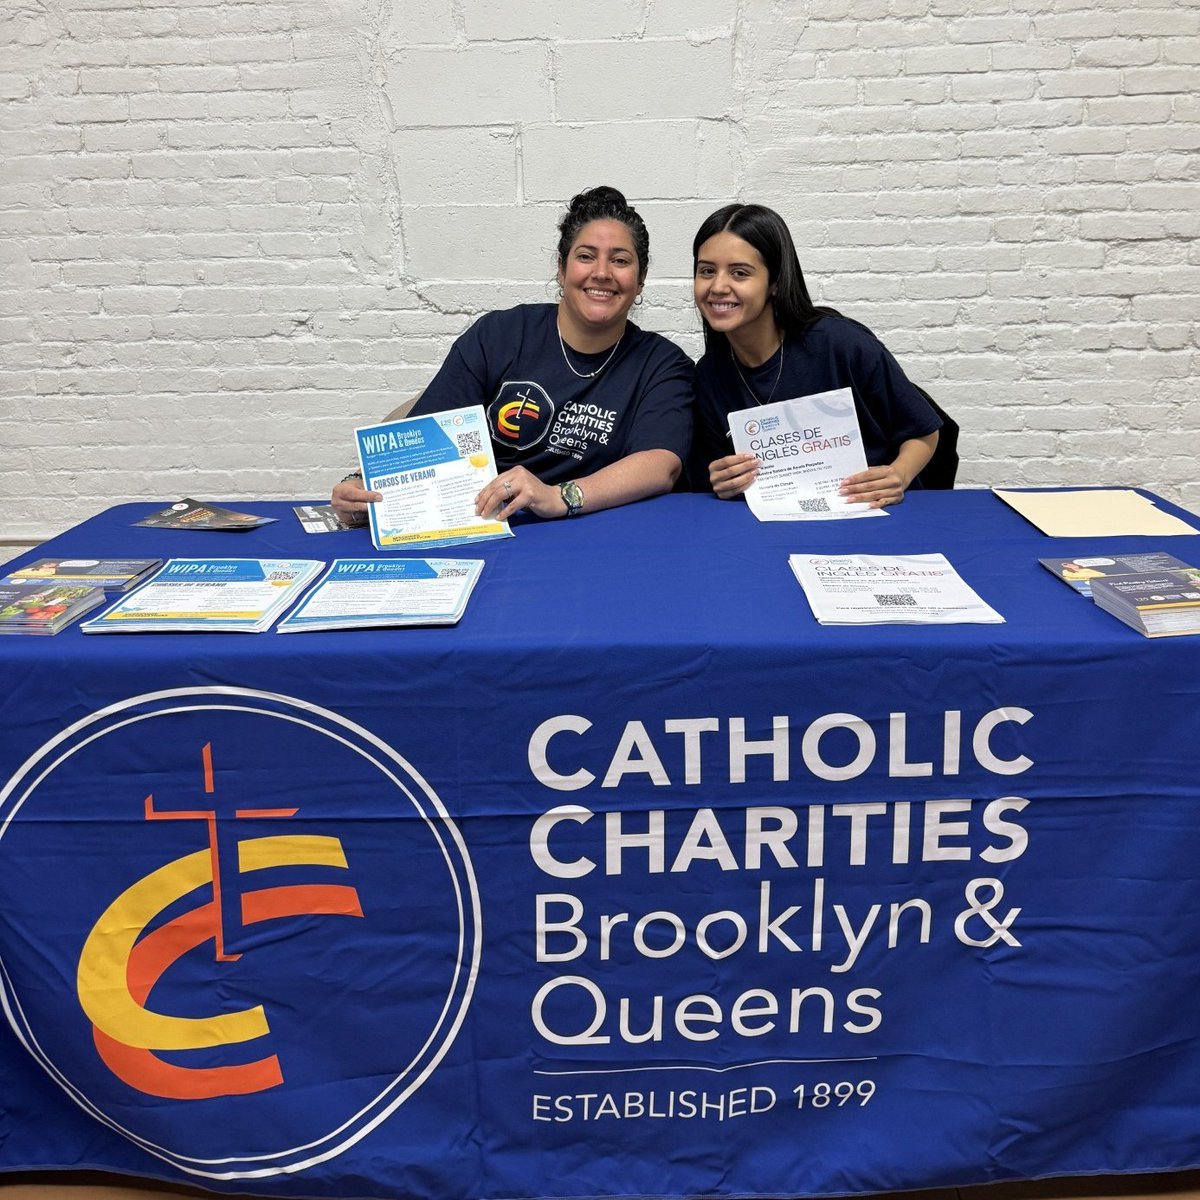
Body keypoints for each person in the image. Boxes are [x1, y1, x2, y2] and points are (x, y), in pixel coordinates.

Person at [331, 186, 694, 524]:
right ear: (562, 267)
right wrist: (361, 484)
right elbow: (427, 436)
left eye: (620, 260)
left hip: (593, 532)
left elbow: (660, 465)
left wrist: (558, 496)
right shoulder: (500, 335)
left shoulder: (662, 364)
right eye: (586, 257)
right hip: (489, 525)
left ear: (641, 278)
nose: (601, 273)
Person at [690, 203, 940, 506]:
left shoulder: (841, 345)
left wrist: (898, 474)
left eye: (740, 273)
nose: (717, 286)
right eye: (706, 271)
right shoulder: (708, 374)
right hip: (772, 524)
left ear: (775, 282)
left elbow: (925, 433)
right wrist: (721, 479)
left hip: (866, 511)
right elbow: (718, 475)